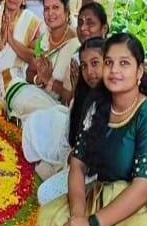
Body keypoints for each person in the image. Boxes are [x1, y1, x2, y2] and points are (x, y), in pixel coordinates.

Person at [37, 33, 147, 226]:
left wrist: (92, 225)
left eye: (124, 64)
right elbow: (77, 165)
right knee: (47, 221)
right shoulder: (98, 106)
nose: (115, 71)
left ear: (140, 71)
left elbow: (143, 187)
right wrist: (78, 217)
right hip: (101, 193)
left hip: (137, 203)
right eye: (109, 63)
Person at [37, 37, 105, 205]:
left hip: (104, 175)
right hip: (80, 166)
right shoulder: (83, 97)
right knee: (44, 182)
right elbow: (73, 140)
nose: (89, 72)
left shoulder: (115, 98)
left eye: (95, 63)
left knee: (46, 194)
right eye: (84, 66)